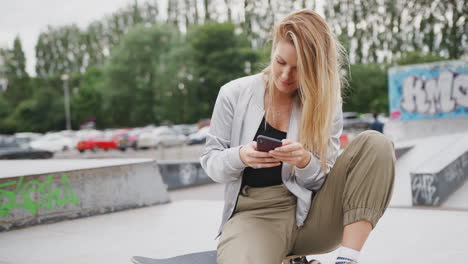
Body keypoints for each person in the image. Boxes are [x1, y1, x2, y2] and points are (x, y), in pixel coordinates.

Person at [200, 9, 395, 264]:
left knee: (376, 144)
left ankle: (347, 260)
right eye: (280, 62)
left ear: (315, 69)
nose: (285, 76)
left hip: (313, 215)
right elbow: (212, 165)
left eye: (298, 69)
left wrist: (304, 162)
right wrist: (241, 156)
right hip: (256, 216)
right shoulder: (233, 94)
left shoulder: (327, 103)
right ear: (273, 51)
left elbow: (320, 180)